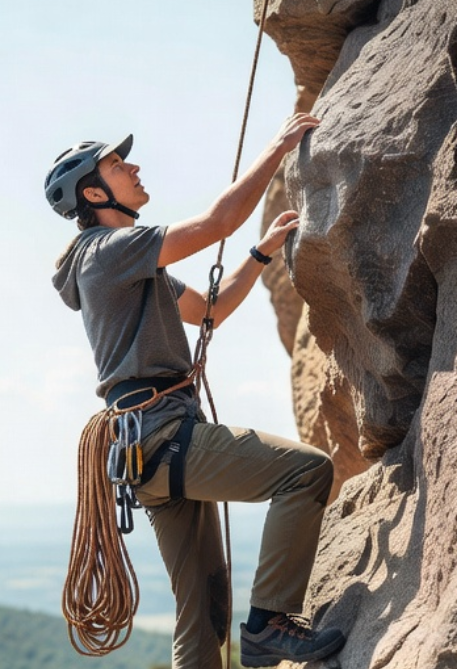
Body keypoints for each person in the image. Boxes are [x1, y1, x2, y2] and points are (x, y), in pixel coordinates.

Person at [46, 114, 346, 669]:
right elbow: (216, 222)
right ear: (93, 192)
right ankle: (268, 625)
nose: (133, 166)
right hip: (162, 434)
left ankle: (251, 629)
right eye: (117, 165)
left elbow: (209, 311)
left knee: (204, 611)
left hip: (150, 448)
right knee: (305, 471)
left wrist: (259, 255)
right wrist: (279, 148)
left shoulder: (127, 264)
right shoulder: (109, 250)